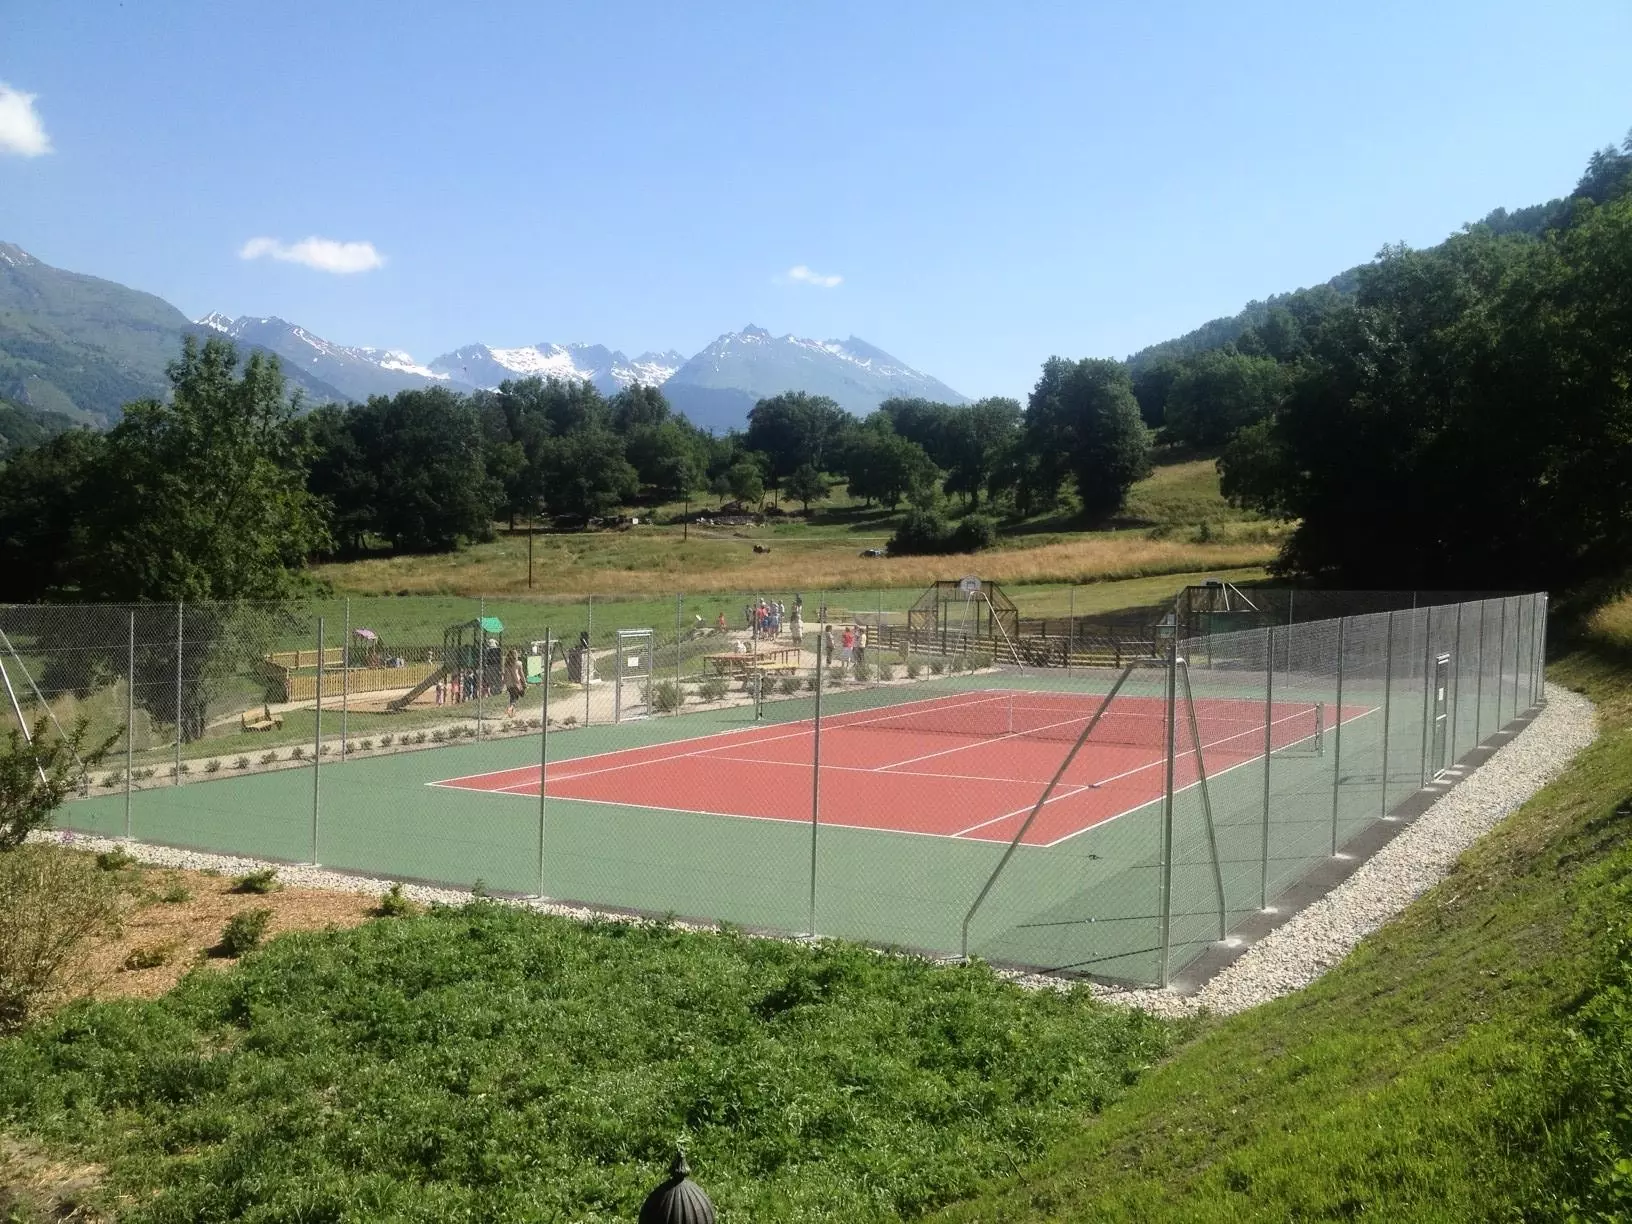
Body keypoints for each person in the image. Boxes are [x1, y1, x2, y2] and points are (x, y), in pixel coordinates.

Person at [504, 650, 525, 717]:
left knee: (512, 697)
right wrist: (524, 682)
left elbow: (505, 674)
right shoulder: (518, 663)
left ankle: (512, 713)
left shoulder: (506, 663)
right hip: (516, 683)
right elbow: (521, 674)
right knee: (516, 697)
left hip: (509, 684)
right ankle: (510, 708)